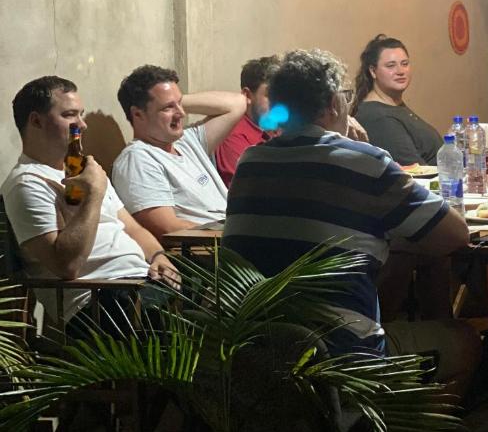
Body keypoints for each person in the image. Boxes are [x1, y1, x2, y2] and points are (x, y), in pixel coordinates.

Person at [224, 49, 477, 391]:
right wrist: (365, 155)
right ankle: (389, 414)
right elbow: (456, 235)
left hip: (255, 353)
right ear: (334, 103)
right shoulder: (363, 161)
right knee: (465, 339)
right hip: (340, 360)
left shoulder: (250, 161)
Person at [1, 76, 178, 332]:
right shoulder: (26, 183)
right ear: (36, 121)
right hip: (97, 300)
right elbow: (66, 265)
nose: (82, 125)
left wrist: (159, 256)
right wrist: (94, 194)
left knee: (212, 290)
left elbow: (133, 229)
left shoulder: (86, 170)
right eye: (70, 115)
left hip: (139, 283)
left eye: (81, 114)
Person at [111, 65, 245, 239]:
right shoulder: (138, 159)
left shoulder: (187, 141)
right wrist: (234, 235)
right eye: (167, 108)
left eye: (180, 104)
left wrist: (171, 99)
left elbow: (237, 103)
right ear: (138, 114)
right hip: (212, 247)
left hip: (234, 235)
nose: (181, 113)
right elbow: (167, 227)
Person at [353, 35, 443, 166]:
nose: (400, 71)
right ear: (373, 71)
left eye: (404, 64)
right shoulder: (378, 117)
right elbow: (414, 171)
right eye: (391, 66)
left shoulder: (394, 105)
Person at [215, 56, 280, 188]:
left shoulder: (276, 130)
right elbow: (248, 189)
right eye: (271, 95)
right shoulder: (234, 136)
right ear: (247, 95)